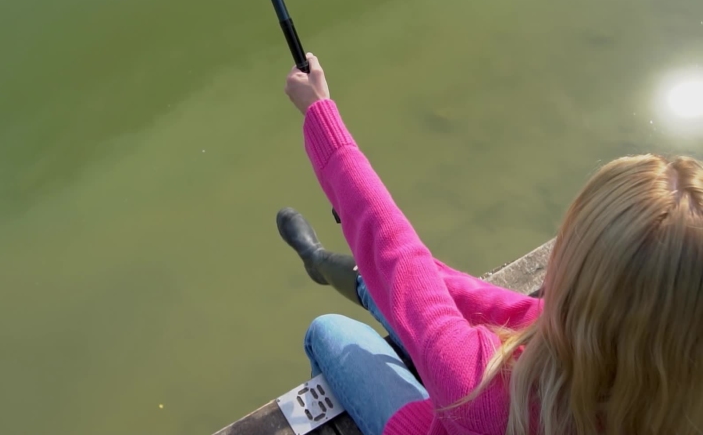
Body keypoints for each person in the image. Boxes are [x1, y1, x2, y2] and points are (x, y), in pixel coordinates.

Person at [278, 52, 703, 435]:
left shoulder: (479, 387)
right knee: (389, 288)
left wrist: (320, 115)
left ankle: (319, 262)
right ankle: (330, 266)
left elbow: (394, 252)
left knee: (328, 330)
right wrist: (418, 275)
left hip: (439, 419)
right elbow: (489, 303)